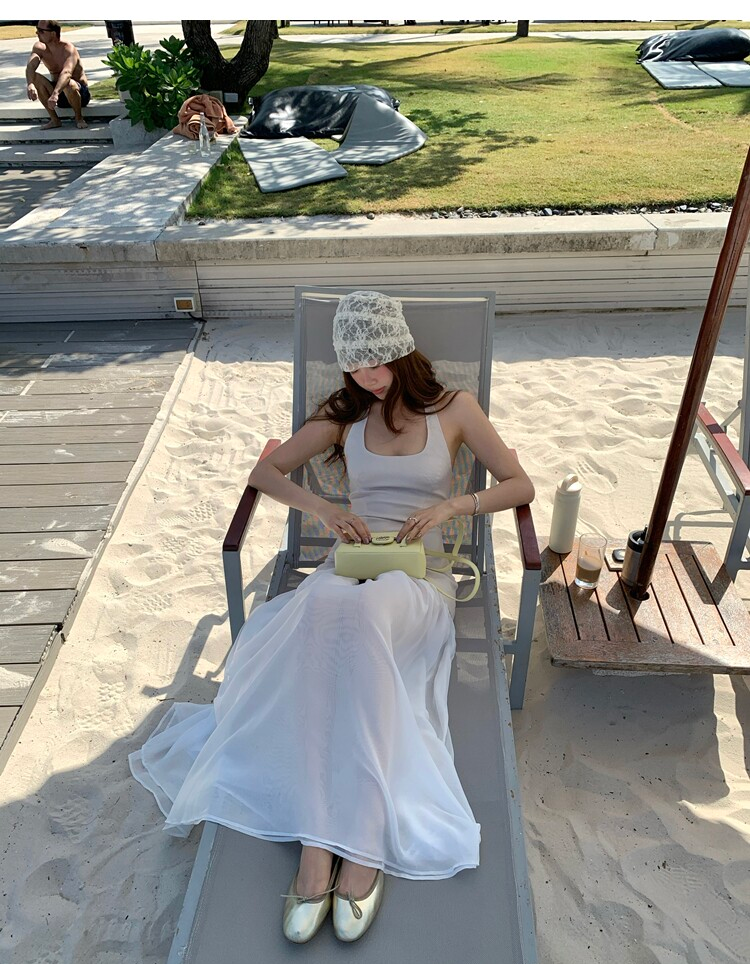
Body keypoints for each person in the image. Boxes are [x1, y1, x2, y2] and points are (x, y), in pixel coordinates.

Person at [129, 290, 535, 944]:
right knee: (322, 605)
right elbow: (266, 472)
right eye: (355, 366)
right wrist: (322, 511)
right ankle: (321, 844)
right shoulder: (344, 416)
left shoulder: (455, 409)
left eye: (377, 361)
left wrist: (451, 506)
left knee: (362, 611)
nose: (367, 376)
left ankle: (362, 837)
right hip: (349, 568)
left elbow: (520, 484)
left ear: (400, 350)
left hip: (419, 577)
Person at [26, 20, 90, 130]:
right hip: (57, 96)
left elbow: (67, 73)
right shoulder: (39, 48)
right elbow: (31, 66)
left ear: (53, 33)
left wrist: (55, 94)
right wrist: (30, 84)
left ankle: (79, 118)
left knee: (68, 83)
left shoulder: (68, 48)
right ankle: (55, 120)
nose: (37, 33)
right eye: (37, 30)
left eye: (41, 31)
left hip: (79, 94)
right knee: (35, 77)